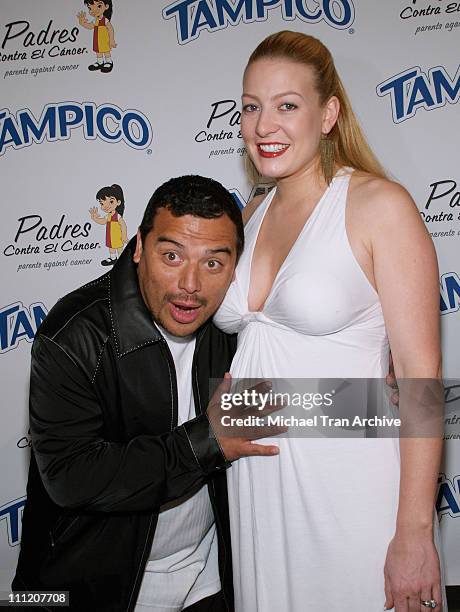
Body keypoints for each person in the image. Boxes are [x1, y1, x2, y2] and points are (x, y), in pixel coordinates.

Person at [213, 31, 445, 611]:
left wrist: (415, 532)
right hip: (259, 488)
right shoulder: (249, 213)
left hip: (350, 485)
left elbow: (420, 376)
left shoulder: (379, 206)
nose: (265, 125)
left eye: (287, 105)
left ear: (328, 114)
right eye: (251, 106)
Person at [13, 175, 281, 612]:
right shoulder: (75, 334)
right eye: (171, 256)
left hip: (210, 577)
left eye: (214, 263)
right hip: (96, 590)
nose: (190, 284)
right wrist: (207, 442)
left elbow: (288, 402)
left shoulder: (231, 324)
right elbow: (70, 475)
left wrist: (393, 397)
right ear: (139, 247)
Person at [89, 183, 128, 266]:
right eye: (102, 203)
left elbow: (123, 225)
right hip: (110, 236)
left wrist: (124, 236)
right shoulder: (108, 216)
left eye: (111, 201)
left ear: (118, 202)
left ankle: (122, 258)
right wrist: (94, 218)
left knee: (119, 248)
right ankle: (113, 258)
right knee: (111, 247)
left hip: (117, 236)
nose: (106, 206)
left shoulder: (117, 216)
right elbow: (103, 221)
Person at [77, 0, 116, 73]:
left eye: (99, 6)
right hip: (97, 39)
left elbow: (110, 29)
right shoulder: (95, 20)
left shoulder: (105, 20)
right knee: (98, 51)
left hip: (104, 39)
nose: (94, 10)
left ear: (106, 6)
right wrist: (82, 23)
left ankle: (109, 62)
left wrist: (111, 40)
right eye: (90, 8)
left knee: (106, 51)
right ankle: (100, 62)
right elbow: (90, 26)